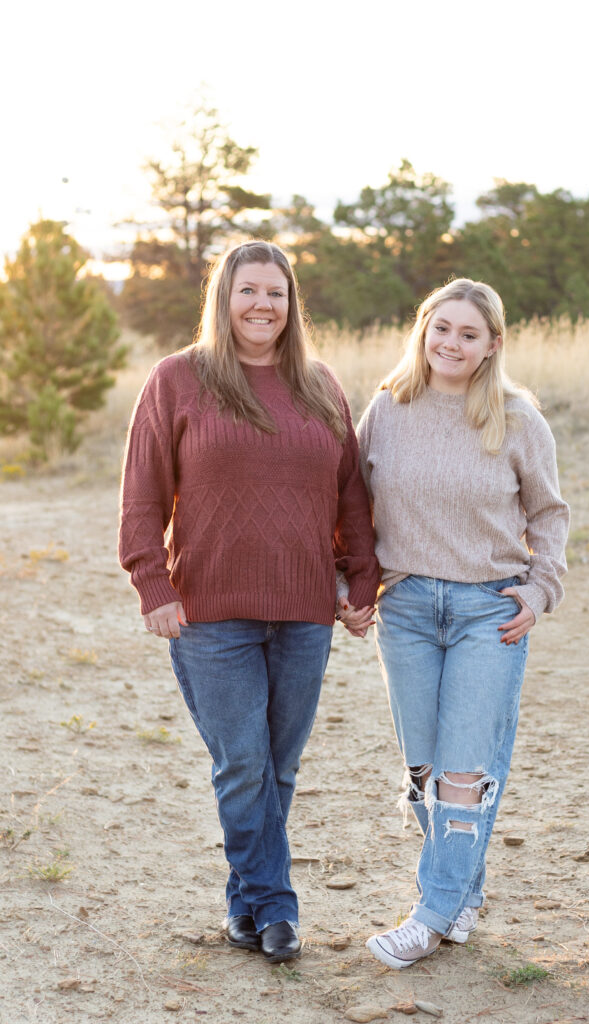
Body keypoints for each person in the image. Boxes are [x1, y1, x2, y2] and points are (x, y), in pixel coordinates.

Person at [118, 240, 379, 964]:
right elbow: (142, 493)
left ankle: (247, 905)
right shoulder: (178, 379)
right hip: (208, 608)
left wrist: (362, 581)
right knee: (242, 762)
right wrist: (152, 583)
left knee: (278, 766)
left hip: (302, 607)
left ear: (291, 303)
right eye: (248, 291)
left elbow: (348, 493)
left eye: (276, 292)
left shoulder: (320, 385)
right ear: (223, 298)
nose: (262, 305)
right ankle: (277, 909)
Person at [355, 277, 569, 969]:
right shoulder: (386, 410)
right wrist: (348, 582)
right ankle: (464, 893)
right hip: (408, 609)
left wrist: (539, 593)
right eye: (440, 327)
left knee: (461, 773)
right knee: (424, 770)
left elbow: (548, 515)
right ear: (422, 330)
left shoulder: (516, 418)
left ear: (490, 345)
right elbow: (350, 506)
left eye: (467, 333)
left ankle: (430, 915)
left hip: (489, 612)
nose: (450, 342)